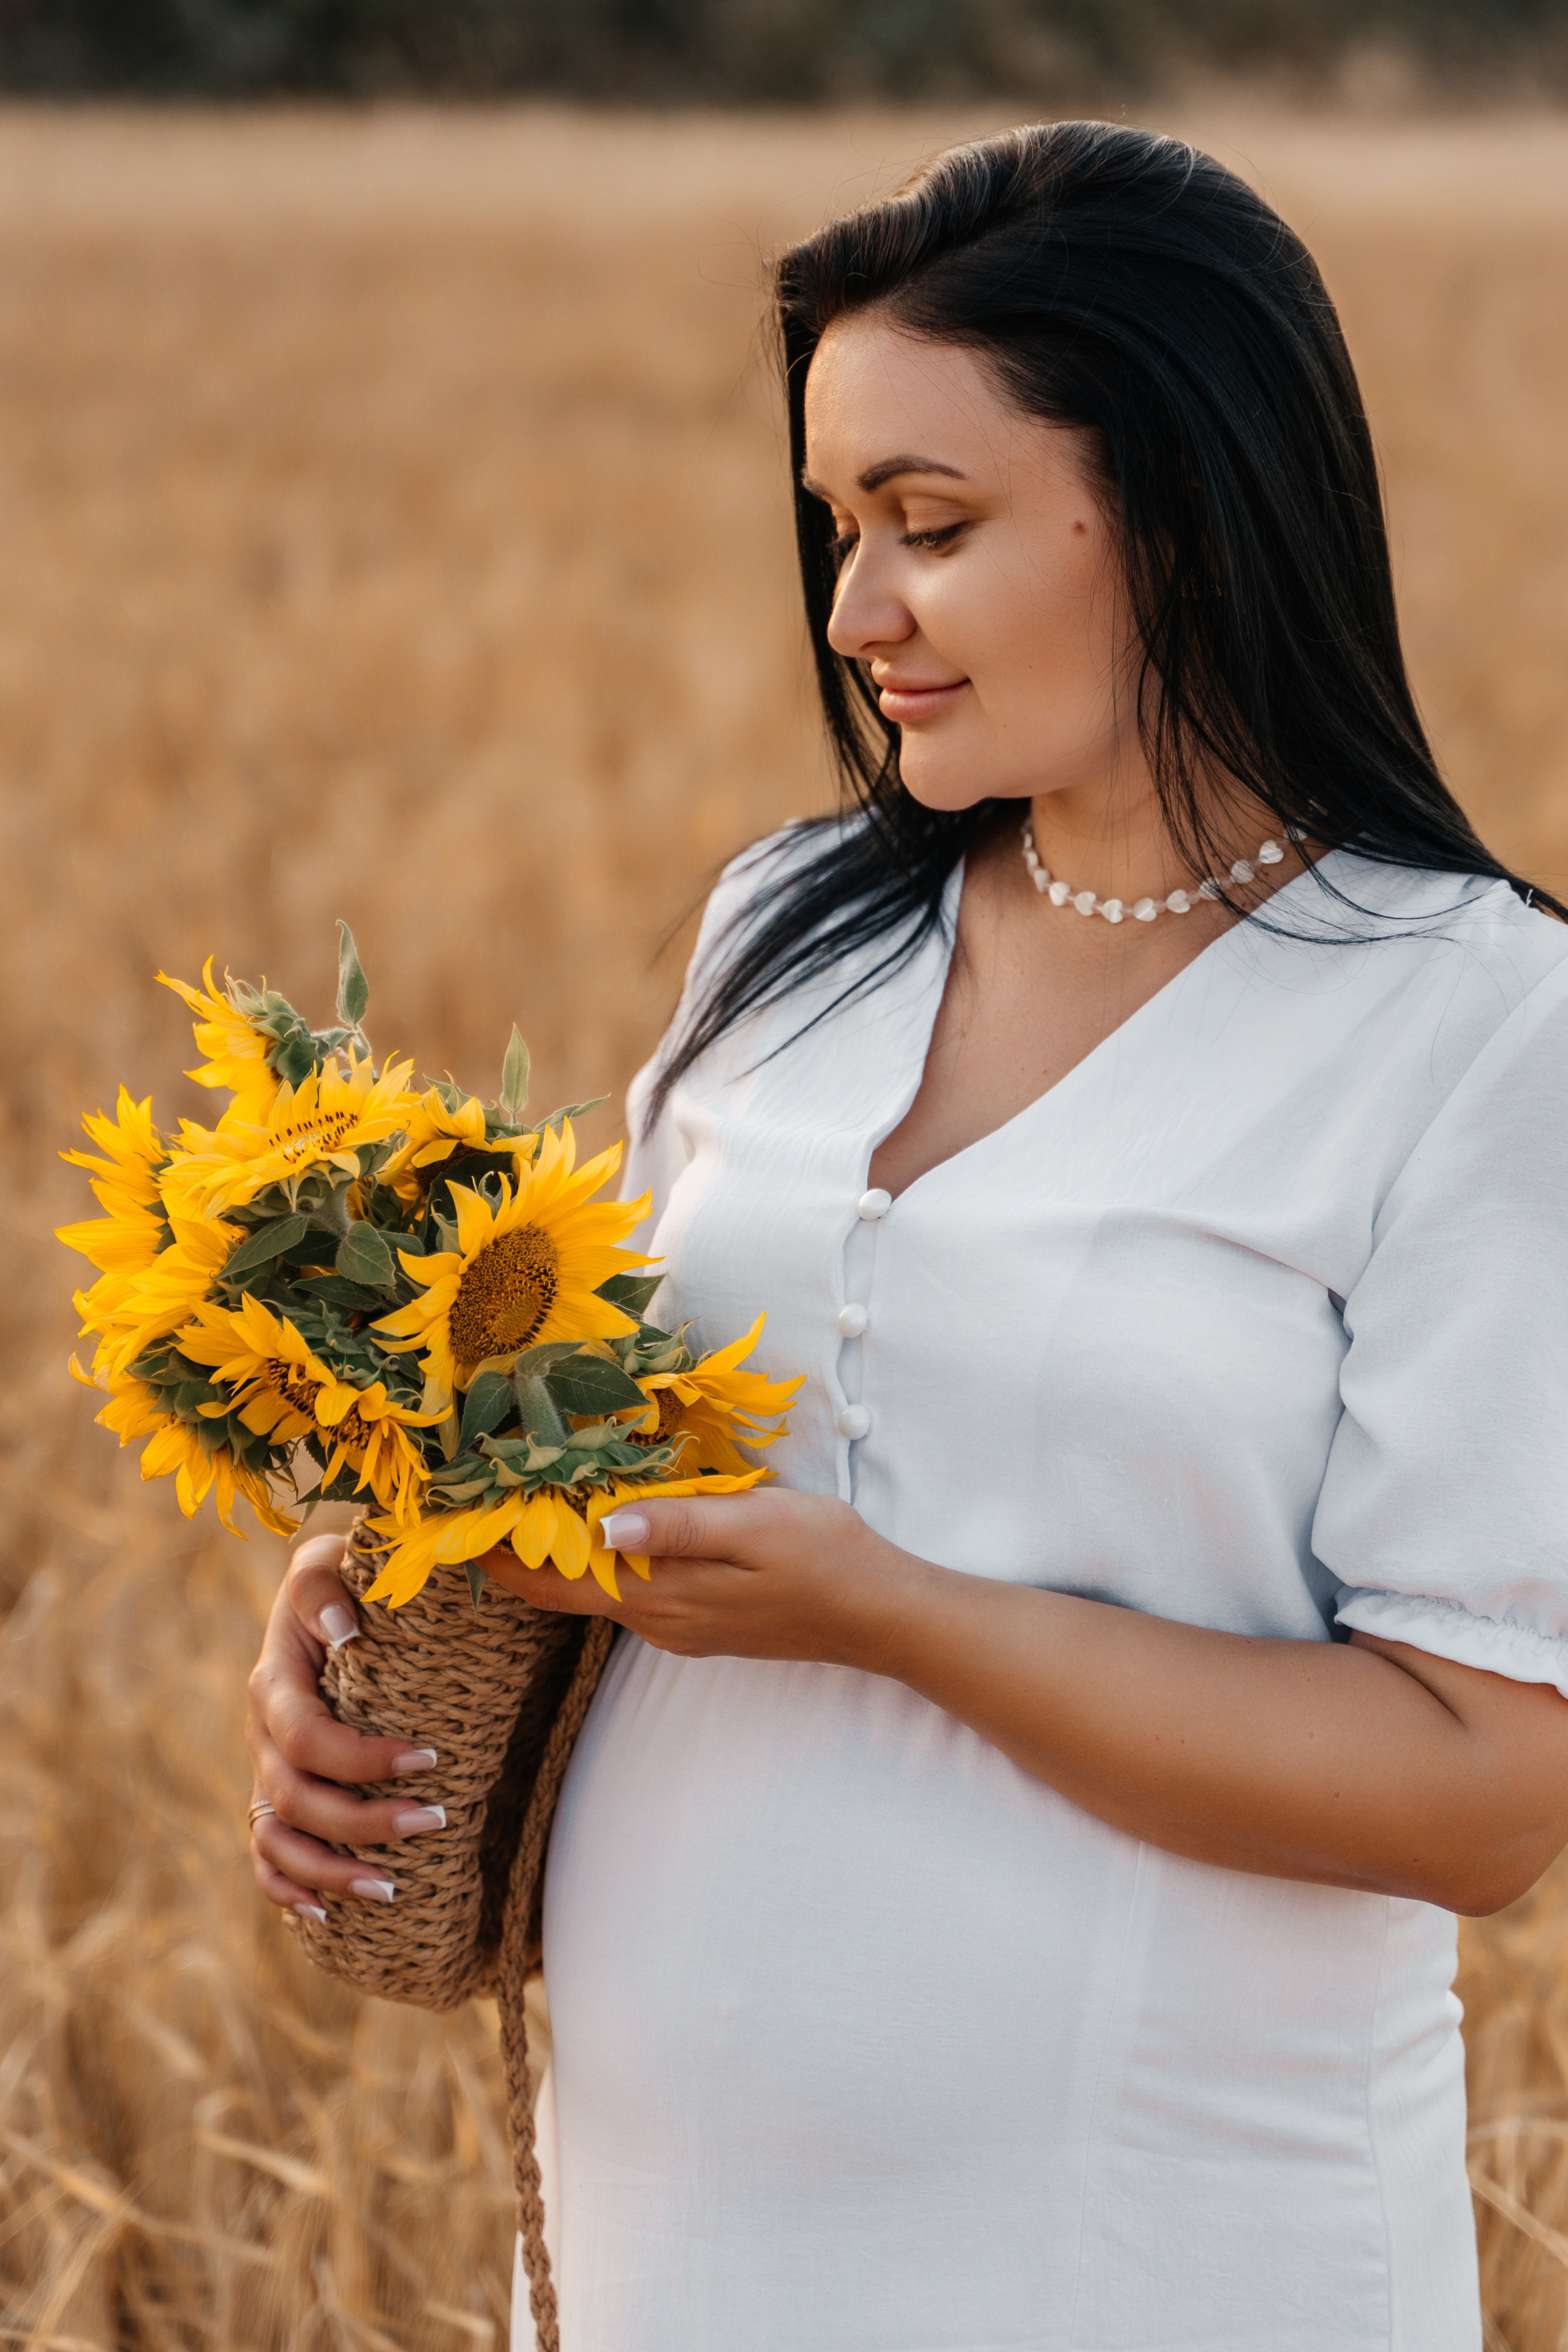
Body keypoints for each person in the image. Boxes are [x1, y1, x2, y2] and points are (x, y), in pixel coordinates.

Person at [244, 122, 1568, 2351]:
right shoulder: (793, 929)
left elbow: (1484, 1792)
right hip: (667, 2215)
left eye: (930, 529)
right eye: (838, 527)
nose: (857, 613)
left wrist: (894, 1618)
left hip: (1172, 2243)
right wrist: (380, 1590)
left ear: (1185, 504)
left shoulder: (1476, 1023)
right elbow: (643, 1463)